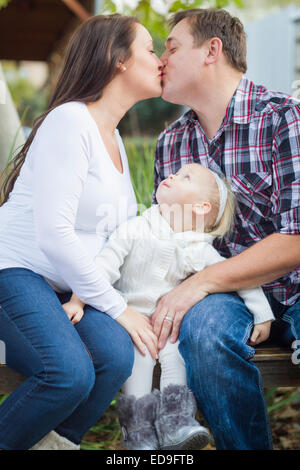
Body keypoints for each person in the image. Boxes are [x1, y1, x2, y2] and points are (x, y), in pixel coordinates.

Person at [0, 14, 163, 450]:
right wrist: (116, 306)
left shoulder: (114, 139)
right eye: (150, 48)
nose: (159, 58)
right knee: (67, 373)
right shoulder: (70, 122)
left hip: (68, 289)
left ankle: (53, 443)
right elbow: (54, 233)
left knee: (114, 356)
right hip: (15, 271)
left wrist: (89, 296)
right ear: (118, 60)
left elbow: (110, 238)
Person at [151, 8, 300, 450]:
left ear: (212, 50)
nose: (161, 60)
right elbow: (165, 239)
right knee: (202, 331)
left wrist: (199, 282)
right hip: (226, 298)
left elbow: (296, 238)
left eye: (172, 48)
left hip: (295, 288)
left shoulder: (283, 119)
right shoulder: (170, 143)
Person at [63, 163, 275, 450]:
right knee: (139, 358)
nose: (173, 175)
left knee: (177, 352)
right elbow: (105, 265)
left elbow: (239, 279)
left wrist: (262, 314)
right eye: (177, 172)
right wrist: (78, 300)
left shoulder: (198, 247)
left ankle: (176, 420)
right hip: (131, 318)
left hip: (169, 325)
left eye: (186, 177)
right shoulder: (137, 227)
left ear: (201, 208)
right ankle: (137, 430)